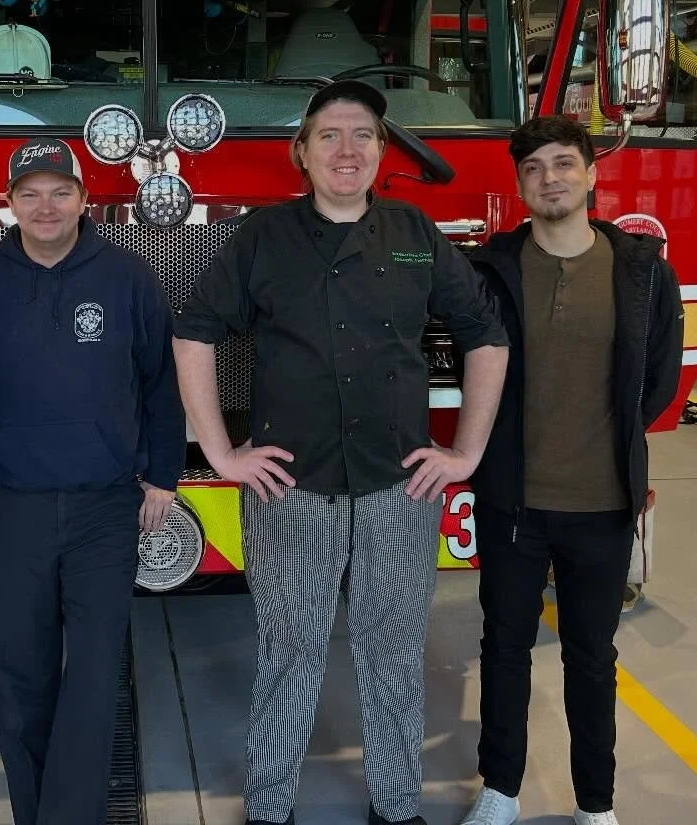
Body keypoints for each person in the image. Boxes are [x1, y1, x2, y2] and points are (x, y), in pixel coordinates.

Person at [172, 82, 510, 825]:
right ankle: (269, 808)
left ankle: (396, 807)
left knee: (393, 655)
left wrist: (466, 453)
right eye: (329, 135)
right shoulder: (262, 237)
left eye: (362, 135)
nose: (347, 149)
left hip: (401, 489)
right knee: (289, 652)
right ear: (303, 153)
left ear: (384, 152)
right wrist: (220, 453)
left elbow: (487, 336)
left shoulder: (417, 233)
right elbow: (193, 333)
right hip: (291, 489)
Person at [0, 137, 185, 825]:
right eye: (29, 193)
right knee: (19, 675)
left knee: (94, 674)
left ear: (84, 199)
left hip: (105, 508)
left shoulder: (129, 278)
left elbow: (160, 384)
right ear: (9, 204)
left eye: (59, 191)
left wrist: (162, 474)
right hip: (8, 507)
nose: (45, 206)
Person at [458, 115, 684, 825]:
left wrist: (607, 450)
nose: (549, 177)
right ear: (520, 184)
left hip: (602, 504)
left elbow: (657, 380)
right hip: (512, 503)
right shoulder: (491, 269)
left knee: (592, 659)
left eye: (563, 163)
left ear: (591, 174)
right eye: (534, 168)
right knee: (505, 650)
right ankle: (499, 792)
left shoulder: (643, 271)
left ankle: (596, 804)